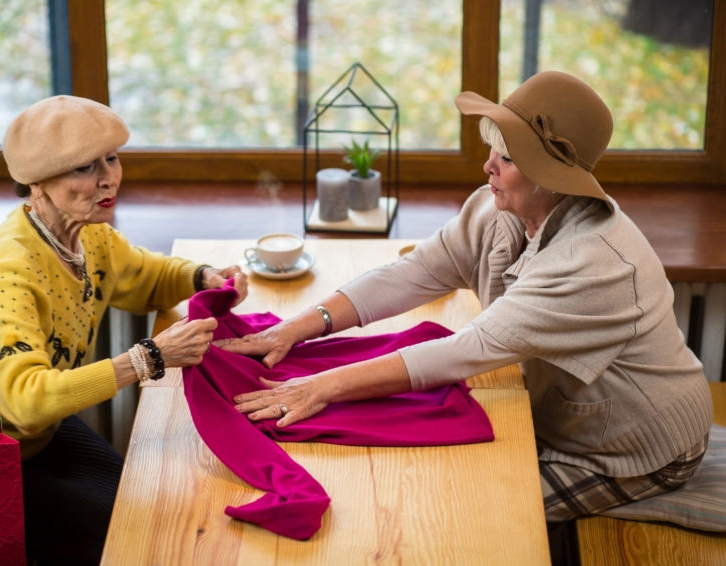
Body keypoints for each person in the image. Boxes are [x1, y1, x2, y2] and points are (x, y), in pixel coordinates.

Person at [220, 71, 713, 523]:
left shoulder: (594, 265)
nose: (488, 165)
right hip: (563, 418)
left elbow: (465, 351)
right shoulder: (495, 207)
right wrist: (297, 327)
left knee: (475, 515)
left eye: (508, 156)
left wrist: (318, 386)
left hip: (634, 448)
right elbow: (412, 272)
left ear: (551, 177)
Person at [0, 95, 248, 565]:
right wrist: (150, 357)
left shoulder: (87, 232)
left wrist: (200, 276)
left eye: (111, 159)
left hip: (39, 435)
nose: (108, 178)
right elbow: (25, 400)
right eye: (82, 168)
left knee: (147, 511)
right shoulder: (7, 268)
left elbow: (141, 275)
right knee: (134, 538)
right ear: (35, 183)